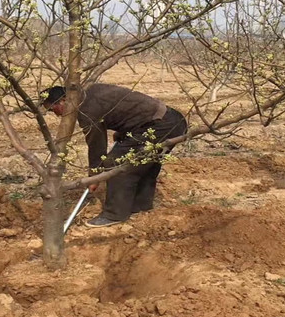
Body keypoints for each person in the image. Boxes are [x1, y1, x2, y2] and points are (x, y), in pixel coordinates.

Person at [41, 83, 188, 227]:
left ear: (64, 101)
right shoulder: (93, 90)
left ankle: (114, 214)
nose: (56, 114)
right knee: (143, 165)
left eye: (53, 109)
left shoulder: (86, 110)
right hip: (172, 121)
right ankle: (140, 206)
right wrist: (124, 131)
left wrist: (95, 175)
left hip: (160, 126)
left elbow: (97, 145)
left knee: (115, 162)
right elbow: (127, 109)